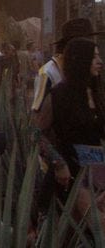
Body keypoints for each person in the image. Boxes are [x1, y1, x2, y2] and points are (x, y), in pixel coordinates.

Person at [35, 38, 105, 219]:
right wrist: (58, 162)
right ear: (81, 60)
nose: (100, 62)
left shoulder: (95, 92)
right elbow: (37, 134)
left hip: (98, 171)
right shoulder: (59, 95)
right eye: (94, 57)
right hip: (73, 171)